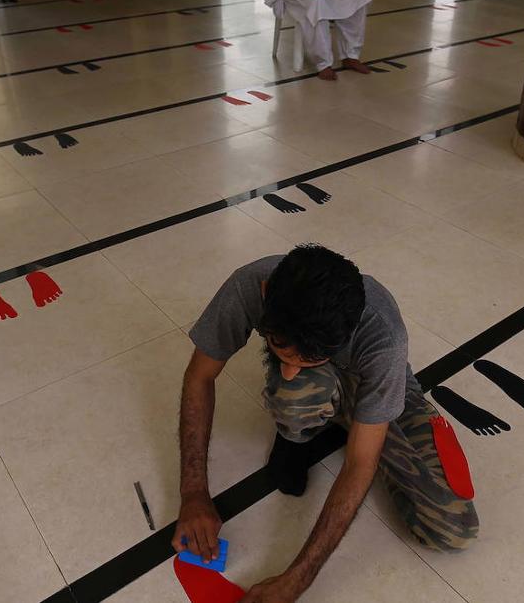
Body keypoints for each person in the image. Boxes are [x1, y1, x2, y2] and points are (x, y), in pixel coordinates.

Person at [174, 245, 478, 602]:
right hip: (323, 391)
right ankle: (300, 432)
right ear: (265, 295)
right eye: (279, 348)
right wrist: (193, 494)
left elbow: (359, 462)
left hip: (372, 387)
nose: (287, 370)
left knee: (453, 530)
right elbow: (199, 377)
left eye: (309, 359)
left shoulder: (384, 335)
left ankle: (351, 420)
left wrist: (298, 579)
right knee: (296, 392)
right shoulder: (249, 283)